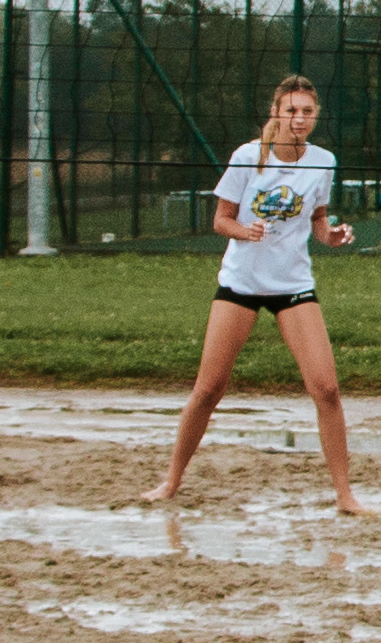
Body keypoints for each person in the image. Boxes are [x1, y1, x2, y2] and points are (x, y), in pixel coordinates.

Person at [146, 74, 360, 512]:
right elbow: (220, 221)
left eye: (307, 111)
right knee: (209, 389)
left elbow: (318, 220)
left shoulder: (323, 160)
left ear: (315, 115)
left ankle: (345, 496)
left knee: (327, 390)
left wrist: (332, 235)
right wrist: (246, 231)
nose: (299, 118)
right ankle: (170, 482)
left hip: (293, 286)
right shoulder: (248, 157)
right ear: (276, 112)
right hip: (240, 285)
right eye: (291, 110)